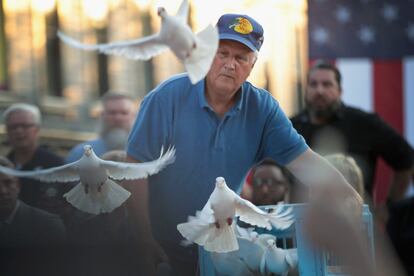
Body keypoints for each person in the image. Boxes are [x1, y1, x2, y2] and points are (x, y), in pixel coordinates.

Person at [124, 13, 362, 275]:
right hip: (161, 248)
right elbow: (134, 169)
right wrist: (143, 239)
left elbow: (304, 161)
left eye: (240, 58)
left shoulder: (263, 109)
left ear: (252, 65)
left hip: (219, 248)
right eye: (222, 53)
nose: (229, 64)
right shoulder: (166, 98)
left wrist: (345, 190)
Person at [290, 61, 414, 206]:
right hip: (300, 224)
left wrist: (389, 209)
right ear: (306, 89)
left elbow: (406, 160)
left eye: (327, 84)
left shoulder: (364, 123)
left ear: (340, 91)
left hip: (357, 223)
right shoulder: (290, 128)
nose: (319, 91)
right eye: (313, 84)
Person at [3, 103, 67, 215]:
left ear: (37, 129)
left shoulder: (55, 164)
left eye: (25, 126)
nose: (19, 131)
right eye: (13, 127)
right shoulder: (3, 168)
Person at [66, 92, 136, 163]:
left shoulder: (144, 153)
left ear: (134, 116)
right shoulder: (81, 153)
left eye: (124, 113)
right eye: (112, 113)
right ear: (102, 115)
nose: (118, 118)